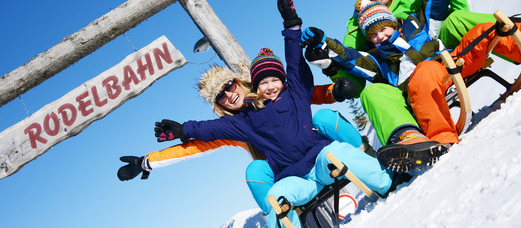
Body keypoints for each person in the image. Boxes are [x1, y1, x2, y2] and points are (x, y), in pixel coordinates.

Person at [150, 0, 402, 228]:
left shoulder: (296, 93)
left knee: (337, 151)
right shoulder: (244, 121)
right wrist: (182, 129)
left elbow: (293, 61)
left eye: (274, 80)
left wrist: (291, 24)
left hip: (323, 163)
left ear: (282, 81)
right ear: (255, 86)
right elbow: (209, 130)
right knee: (275, 196)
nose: (269, 86)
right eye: (263, 82)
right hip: (297, 181)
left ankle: (387, 182)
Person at [303, 0, 521, 172]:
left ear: (394, 24)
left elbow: (435, 4)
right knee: (420, 74)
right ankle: (433, 138)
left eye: (382, 29)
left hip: (448, 66)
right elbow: (351, 58)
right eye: (372, 35)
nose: (379, 37)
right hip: (420, 87)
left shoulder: (415, 29)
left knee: (483, 32)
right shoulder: (377, 59)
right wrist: (326, 45)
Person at [117, 63, 368, 215]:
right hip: (287, 170)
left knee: (322, 118)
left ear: (237, 81)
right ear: (219, 105)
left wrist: (333, 91)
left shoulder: (268, 91)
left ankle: (365, 157)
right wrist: (146, 162)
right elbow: (192, 147)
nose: (229, 94)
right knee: (255, 169)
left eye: (229, 85)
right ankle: (281, 216)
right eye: (221, 96)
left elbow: (305, 94)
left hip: (316, 148)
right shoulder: (233, 127)